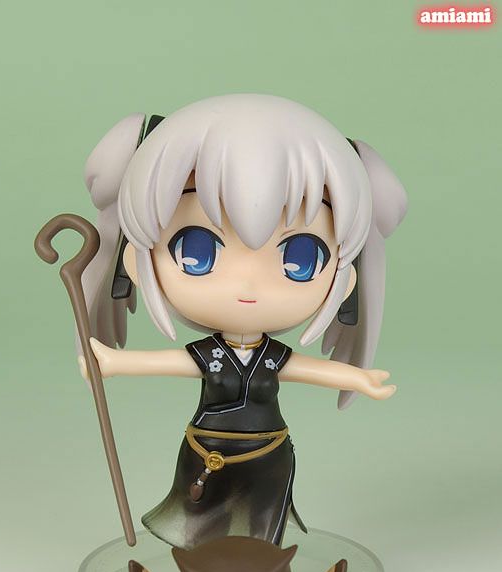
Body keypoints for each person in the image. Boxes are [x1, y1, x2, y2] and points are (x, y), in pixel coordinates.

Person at [78, 94, 407, 548]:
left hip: (268, 455)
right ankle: (206, 567)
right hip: (206, 453)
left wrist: (357, 377)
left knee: (261, 528)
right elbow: (171, 363)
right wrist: (114, 364)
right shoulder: (212, 355)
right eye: (196, 251)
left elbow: (306, 370)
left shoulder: (270, 357)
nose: (248, 284)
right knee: (199, 525)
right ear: (136, 261)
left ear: (344, 277)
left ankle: (257, 565)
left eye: (301, 258)